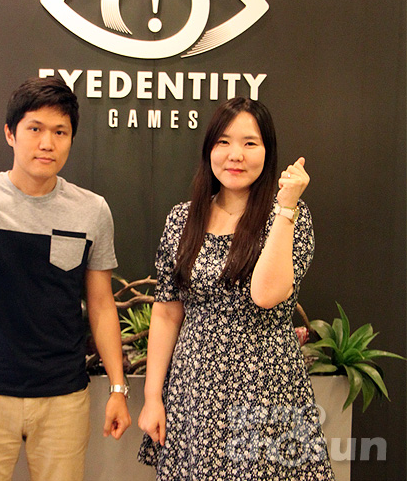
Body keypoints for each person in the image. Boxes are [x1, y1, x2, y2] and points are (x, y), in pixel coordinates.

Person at [0, 77, 131, 481]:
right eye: (35, 129)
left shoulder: (92, 210)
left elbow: (101, 303)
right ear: (10, 134)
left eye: (60, 132)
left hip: (62, 397)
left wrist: (118, 387)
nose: (47, 143)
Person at [137, 97, 335, 480]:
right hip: (193, 391)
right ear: (209, 149)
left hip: (267, 388)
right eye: (224, 142)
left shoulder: (291, 216)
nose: (236, 155)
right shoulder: (182, 218)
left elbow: (266, 295)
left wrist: (286, 207)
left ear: (268, 151)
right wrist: (151, 397)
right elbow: (166, 312)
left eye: (250, 143)